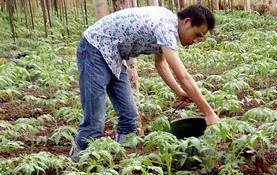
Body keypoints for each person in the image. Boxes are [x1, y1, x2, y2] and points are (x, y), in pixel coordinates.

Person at [70, 4, 220, 161]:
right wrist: (209, 113)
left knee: (129, 117)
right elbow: (183, 76)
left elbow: (160, 64)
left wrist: (178, 91)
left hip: (115, 54)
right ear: (187, 22)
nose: (196, 41)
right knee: (95, 119)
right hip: (94, 48)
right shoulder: (166, 27)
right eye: (197, 35)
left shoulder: (168, 24)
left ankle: (124, 162)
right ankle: (79, 163)